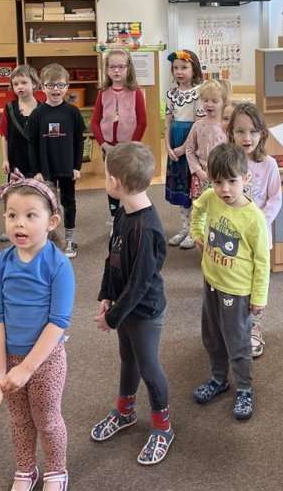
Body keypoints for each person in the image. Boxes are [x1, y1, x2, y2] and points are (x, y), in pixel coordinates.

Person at [0, 174, 74, 491]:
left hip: (45, 361)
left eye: (30, 215)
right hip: (10, 358)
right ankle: (26, 469)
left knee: (47, 420)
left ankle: (56, 471)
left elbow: (58, 322)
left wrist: (26, 368)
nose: (19, 223)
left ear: (52, 222)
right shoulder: (0, 264)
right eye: (12, 215)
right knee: (19, 420)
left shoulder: (58, 265)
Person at [91, 142, 173, 465]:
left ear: (115, 182)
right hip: (122, 305)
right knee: (128, 359)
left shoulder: (146, 227)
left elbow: (139, 285)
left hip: (144, 311)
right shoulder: (124, 212)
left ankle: (162, 427)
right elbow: (112, 258)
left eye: (106, 176)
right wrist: (105, 296)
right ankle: (125, 411)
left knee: (148, 366)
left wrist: (111, 318)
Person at [190, 142, 269, 421]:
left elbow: (262, 262)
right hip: (211, 282)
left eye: (232, 181)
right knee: (212, 336)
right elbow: (197, 210)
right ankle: (218, 379)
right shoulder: (211, 197)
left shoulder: (254, 218)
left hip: (237, 292)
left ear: (246, 179)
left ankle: (244, 388)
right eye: (218, 182)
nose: (224, 189)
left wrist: (258, 298)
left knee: (237, 342)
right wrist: (197, 234)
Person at [228, 102, 281, 358]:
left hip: (258, 238)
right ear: (231, 134)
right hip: (232, 237)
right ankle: (233, 328)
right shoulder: (227, 161)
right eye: (240, 131)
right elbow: (217, 194)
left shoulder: (268, 164)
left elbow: (275, 199)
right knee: (233, 284)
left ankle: (254, 329)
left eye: (252, 131)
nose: (246, 138)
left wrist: (259, 222)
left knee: (256, 285)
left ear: (262, 133)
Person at [26, 64, 85, 259]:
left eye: (60, 85)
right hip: (45, 169)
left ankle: (69, 240)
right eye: (50, 85)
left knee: (69, 202)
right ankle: (48, 239)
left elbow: (79, 141)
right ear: (42, 87)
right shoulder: (37, 114)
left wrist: (76, 166)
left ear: (67, 87)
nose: (55, 89)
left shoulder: (73, 112)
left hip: (67, 168)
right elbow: (32, 144)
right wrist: (36, 170)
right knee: (46, 204)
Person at [90, 48, 147, 226]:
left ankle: (133, 215)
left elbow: (142, 122)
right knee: (113, 183)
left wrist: (132, 145)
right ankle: (115, 219)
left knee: (130, 182)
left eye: (121, 67)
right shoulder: (103, 92)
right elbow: (94, 122)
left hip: (129, 148)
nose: (116, 70)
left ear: (128, 68)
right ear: (106, 69)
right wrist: (104, 144)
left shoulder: (135, 92)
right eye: (112, 67)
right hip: (109, 148)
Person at [0, 64, 42, 243]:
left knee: (37, 195)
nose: (20, 87)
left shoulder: (42, 107)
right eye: (15, 84)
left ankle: (38, 226)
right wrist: (5, 159)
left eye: (24, 82)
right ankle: (13, 227)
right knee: (14, 196)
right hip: (16, 159)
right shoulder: (9, 108)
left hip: (37, 161)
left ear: (34, 84)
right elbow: (4, 135)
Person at [165, 49, 203, 249]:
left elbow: (197, 124)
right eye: (175, 68)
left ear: (194, 69)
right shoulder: (171, 94)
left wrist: (183, 148)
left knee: (193, 188)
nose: (179, 72)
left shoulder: (199, 92)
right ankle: (185, 228)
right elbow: (167, 122)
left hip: (191, 144)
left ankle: (195, 231)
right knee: (180, 188)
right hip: (174, 144)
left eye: (184, 67)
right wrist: (168, 146)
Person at [184, 79, 230, 204]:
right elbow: (189, 150)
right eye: (205, 100)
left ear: (224, 102)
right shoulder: (197, 126)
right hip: (201, 175)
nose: (209, 104)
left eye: (214, 101)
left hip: (223, 175)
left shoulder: (227, 127)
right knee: (200, 207)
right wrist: (197, 170)